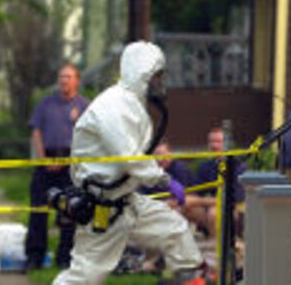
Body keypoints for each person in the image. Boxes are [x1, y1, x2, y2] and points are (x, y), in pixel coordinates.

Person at [53, 41, 205, 285]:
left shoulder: (132, 105)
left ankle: (190, 279)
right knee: (86, 276)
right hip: (102, 206)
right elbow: (130, 157)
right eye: (157, 76)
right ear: (142, 73)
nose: (160, 82)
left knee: (175, 230)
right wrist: (165, 179)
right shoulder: (113, 107)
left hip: (127, 201)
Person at [25, 63, 90, 270]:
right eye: (61, 77)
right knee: (38, 210)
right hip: (46, 160)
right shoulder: (45, 104)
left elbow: (89, 139)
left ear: (77, 81)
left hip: (71, 163)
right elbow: (36, 132)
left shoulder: (84, 106)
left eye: (68, 77)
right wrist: (43, 159)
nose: (64, 81)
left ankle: (65, 257)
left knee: (70, 211)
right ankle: (34, 256)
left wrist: (68, 161)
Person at [193, 128, 246, 238]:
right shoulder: (206, 166)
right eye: (211, 141)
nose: (214, 145)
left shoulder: (237, 166)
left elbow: (235, 199)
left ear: (228, 145)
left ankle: (218, 245)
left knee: (214, 213)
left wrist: (200, 201)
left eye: (218, 142)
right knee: (185, 208)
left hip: (235, 209)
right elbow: (196, 193)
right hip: (212, 205)